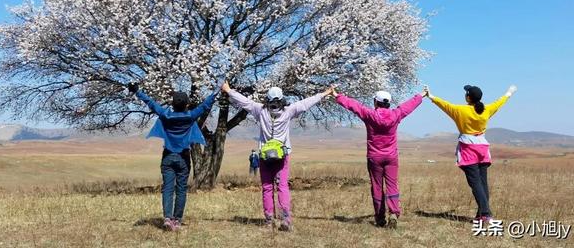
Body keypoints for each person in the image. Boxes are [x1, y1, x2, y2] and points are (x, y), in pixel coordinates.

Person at [221, 81, 335, 231]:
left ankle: (269, 220)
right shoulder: (289, 111)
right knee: (282, 186)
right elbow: (307, 103)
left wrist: (228, 90)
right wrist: (325, 93)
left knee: (267, 187)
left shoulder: (260, 111)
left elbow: (244, 101)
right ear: (282, 99)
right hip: (282, 155)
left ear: (267, 99)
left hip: (264, 156)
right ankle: (285, 219)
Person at [128, 82, 217, 232]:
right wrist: (217, 90)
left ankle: (167, 219)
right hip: (183, 157)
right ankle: (178, 220)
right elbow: (205, 105)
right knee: (181, 189)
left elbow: (151, 103)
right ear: (187, 104)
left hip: (168, 157)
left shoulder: (165, 115)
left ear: (173, 104)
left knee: (168, 188)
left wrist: (137, 91)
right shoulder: (191, 116)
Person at [332, 87, 426, 229]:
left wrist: (337, 95)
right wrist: (421, 96)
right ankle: (393, 213)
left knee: (377, 187)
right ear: (388, 103)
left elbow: (354, 106)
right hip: (391, 157)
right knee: (392, 185)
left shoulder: (369, 114)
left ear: (375, 102)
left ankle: (380, 218)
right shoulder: (396, 114)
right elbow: (408, 107)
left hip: (374, 157)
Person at [424, 84, 517, 223]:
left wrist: (430, 96)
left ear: (468, 97)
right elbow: (499, 103)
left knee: (475, 183)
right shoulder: (486, 110)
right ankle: (481, 215)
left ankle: (486, 214)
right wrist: (509, 93)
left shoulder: (460, 110)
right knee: (482, 182)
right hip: (483, 148)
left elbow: (444, 105)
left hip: (468, 148)